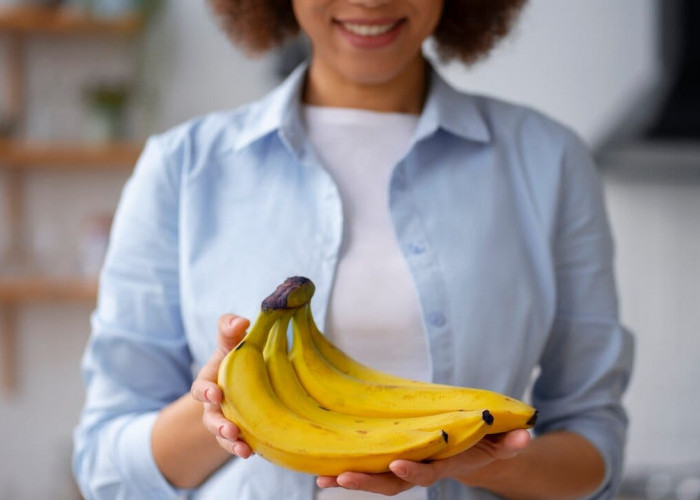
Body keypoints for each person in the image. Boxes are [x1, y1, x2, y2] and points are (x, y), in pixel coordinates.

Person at [72, 0, 635, 498]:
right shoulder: (183, 167)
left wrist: (476, 463)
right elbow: (107, 468)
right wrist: (225, 406)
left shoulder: (549, 161)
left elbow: (592, 448)